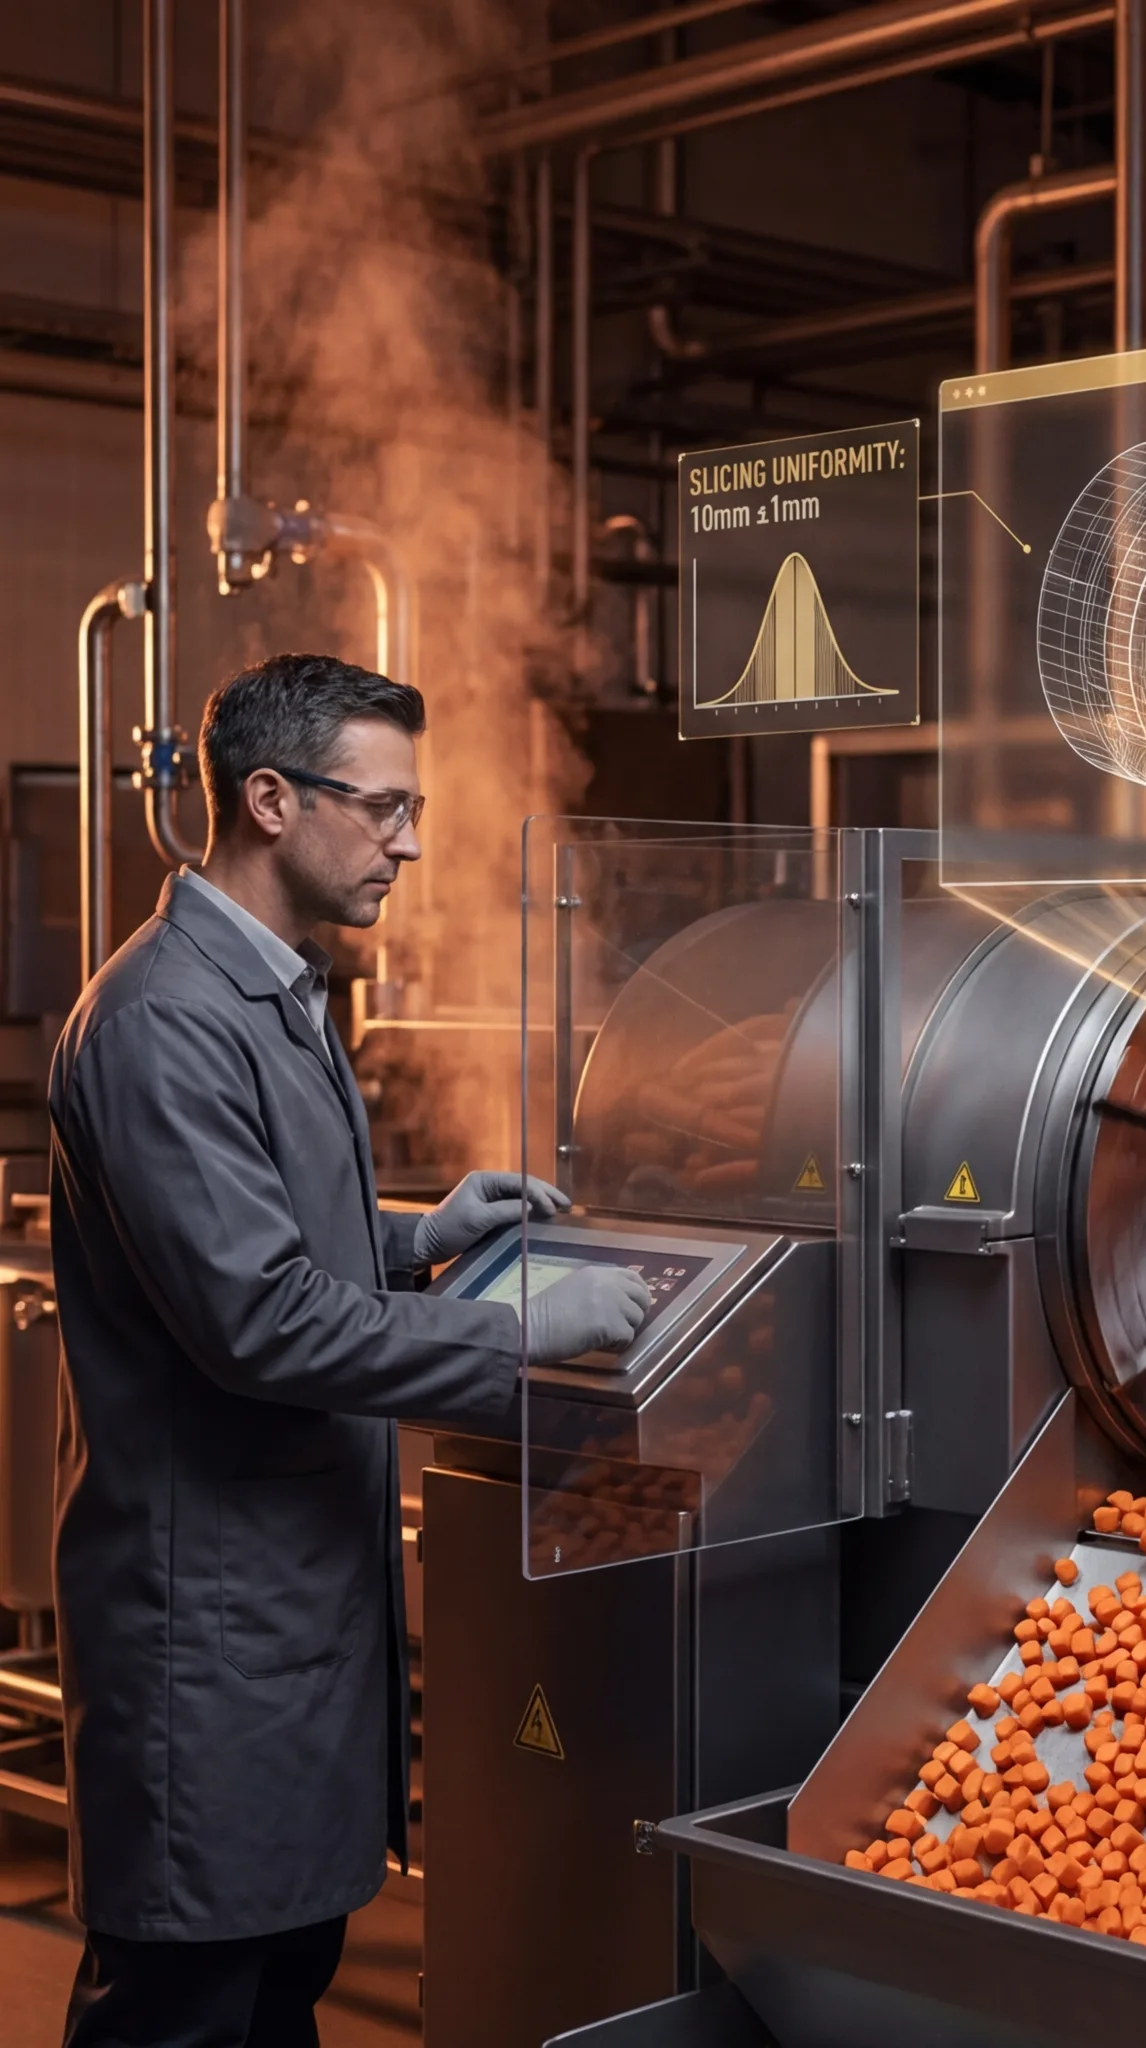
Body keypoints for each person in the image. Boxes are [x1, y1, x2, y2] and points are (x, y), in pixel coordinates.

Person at [46, 653, 652, 2045]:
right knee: (187, 2003)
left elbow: (268, 1233)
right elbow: (255, 1315)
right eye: (383, 809)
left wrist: (411, 1236)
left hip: (290, 1613)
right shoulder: (163, 1019)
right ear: (271, 800)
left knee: (272, 1991)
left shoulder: (277, 985)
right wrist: (508, 1334)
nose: (412, 843)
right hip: (208, 1630)